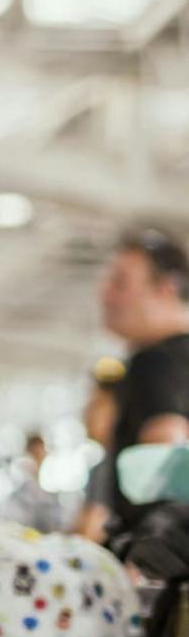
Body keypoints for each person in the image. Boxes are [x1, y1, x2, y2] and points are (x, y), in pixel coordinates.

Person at [97, 227, 189, 537]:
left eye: (120, 283)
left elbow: (168, 445)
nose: (105, 294)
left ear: (165, 289)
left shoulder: (156, 361)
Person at [73, 367, 123, 542]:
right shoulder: (104, 463)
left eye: (96, 404)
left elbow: (92, 530)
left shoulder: (115, 464)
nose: (86, 413)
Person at [0, 433, 67, 533]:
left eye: (41, 454)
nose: (38, 459)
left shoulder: (52, 487)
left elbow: (57, 522)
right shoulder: (17, 484)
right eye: (34, 454)